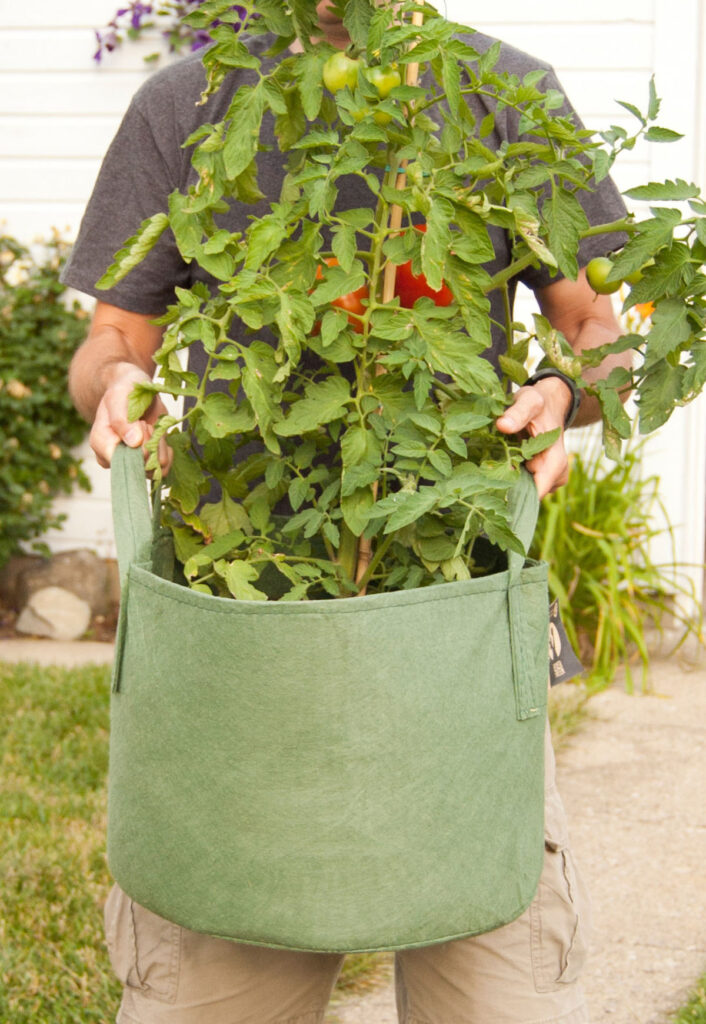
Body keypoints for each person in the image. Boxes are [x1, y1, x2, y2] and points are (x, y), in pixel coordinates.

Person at [66, 3, 630, 1021]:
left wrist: (565, 387)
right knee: (216, 995)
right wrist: (117, 382)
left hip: (450, 611)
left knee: (499, 995)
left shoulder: (505, 93)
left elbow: (598, 324)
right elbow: (115, 336)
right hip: (245, 633)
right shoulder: (184, 102)